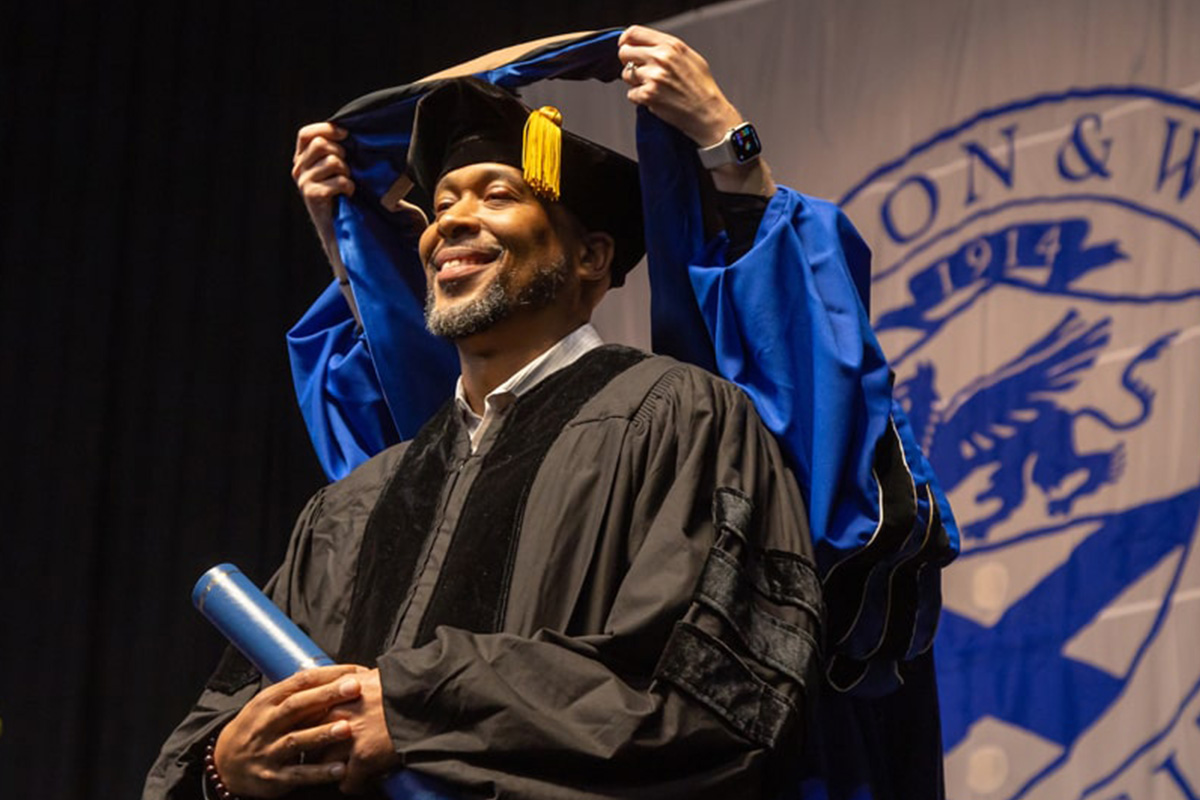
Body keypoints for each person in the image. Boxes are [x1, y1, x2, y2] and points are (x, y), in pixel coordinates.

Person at [144, 32, 824, 800]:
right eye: (440, 206)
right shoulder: (359, 501)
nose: (450, 224)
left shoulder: (676, 418)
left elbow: (716, 698)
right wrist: (225, 768)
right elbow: (217, 726)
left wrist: (407, 708)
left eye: (498, 194)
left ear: (591, 258)